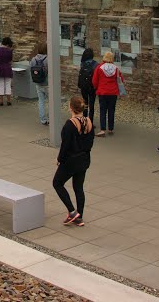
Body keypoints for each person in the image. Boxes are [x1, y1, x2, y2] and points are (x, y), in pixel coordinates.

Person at [54, 95, 95, 227]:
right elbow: (90, 144)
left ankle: (72, 212)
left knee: (57, 183)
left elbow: (65, 146)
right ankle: (79, 217)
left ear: (70, 108)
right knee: (78, 187)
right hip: (84, 160)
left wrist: (59, 159)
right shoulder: (89, 122)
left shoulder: (69, 125)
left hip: (71, 161)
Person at [92, 51, 124, 137]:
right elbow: (120, 79)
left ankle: (102, 130)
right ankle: (110, 128)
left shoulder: (99, 68)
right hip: (113, 92)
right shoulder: (116, 68)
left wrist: (96, 87)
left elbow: (94, 80)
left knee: (103, 110)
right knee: (111, 110)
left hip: (102, 92)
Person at [29, 43, 49, 126]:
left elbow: (31, 69)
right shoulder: (48, 59)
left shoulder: (33, 59)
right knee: (51, 102)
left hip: (38, 83)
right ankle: (51, 118)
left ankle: (43, 119)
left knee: (41, 101)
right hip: (47, 83)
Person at [78, 48, 98, 123]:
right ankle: (90, 122)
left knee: (85, 103)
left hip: (84, 86)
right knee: (91, 105)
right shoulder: (95, 64)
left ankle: (84, 120)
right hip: (92, 87)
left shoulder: (82, 63)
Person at [0, 37, 15, 107]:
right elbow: (10, 60)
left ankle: (1, 101)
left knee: (1, 84)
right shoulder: (10, 51)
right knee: (8, 84)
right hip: (7, 68)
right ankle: (8, 101)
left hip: (0, 67)